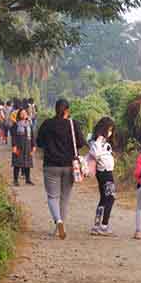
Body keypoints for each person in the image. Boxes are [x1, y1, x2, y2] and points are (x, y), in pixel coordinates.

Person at [37, 98, 86, 239]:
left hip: (51, 165)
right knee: (64, 198)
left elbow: (39, 142)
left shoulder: (47, 124)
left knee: (53, 197)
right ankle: (60, 224)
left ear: (55, 109)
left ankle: (58, 221)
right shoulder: (73, 124)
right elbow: (81, 143)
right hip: (69, 166)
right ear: (67, 110)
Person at [88, 117, 116, 236]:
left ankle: (97, 225)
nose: (110, 132)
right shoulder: (99, 140)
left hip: (104, 172)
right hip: (105, 173)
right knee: (110, 198)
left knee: (104, 198)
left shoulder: (101, 140)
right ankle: (104, 226)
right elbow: (95, 153)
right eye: (109, 129)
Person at [11, 107, 36, 186]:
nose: (23, 114)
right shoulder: (16, 124)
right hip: (19, 146)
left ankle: (28, 180)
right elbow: (13, 136)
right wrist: (14, 146)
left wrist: (33, 145)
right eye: (22, 113)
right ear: (19, 115)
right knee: (17, 163)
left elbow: (32, 135)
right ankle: (15, 180)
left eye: (25, 113)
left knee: (27, 163)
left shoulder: (29, 124)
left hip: (28, 146)